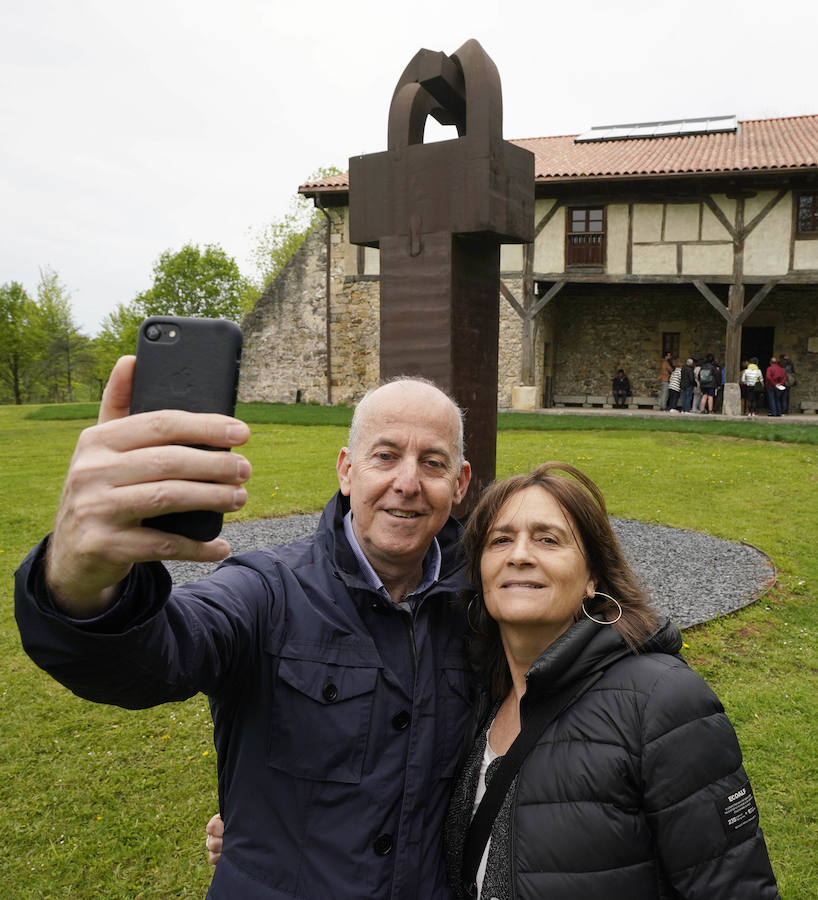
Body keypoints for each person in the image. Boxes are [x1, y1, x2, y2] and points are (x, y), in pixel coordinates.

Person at [15, 356, 473, 899]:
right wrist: (80, 580)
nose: (407, 482)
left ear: (460, 483)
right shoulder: (266, 590)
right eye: (386, 456)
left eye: (433, 462)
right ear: (347, 471)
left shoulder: (482, 609)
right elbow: (155, 655)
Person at [443, 462, 781, 900]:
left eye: (548, 539)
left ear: (592, 578)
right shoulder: (480, 697)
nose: (519, 554)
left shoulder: (663, 703)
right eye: (500, 540)